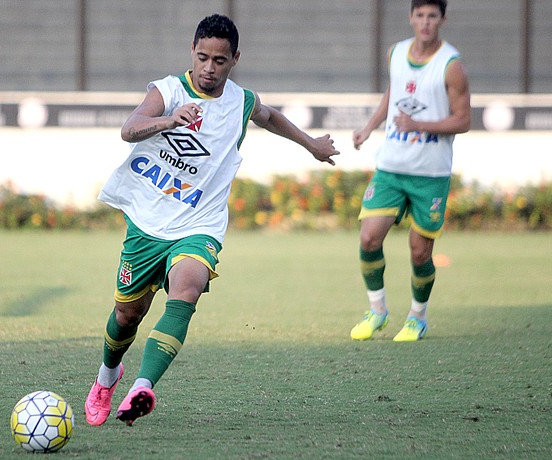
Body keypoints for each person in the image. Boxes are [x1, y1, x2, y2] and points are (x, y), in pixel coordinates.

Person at [85, 13, 339, 427]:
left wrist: (311, 144)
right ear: (192, 50)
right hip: (147, 224)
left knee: (186, 290)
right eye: (202, 57)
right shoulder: (168, 91)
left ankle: (142, 387)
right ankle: (107, 377)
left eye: (219, 61)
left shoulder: (240, 102)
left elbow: (268, 116)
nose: (209, 68)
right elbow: (129, 129)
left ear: (235, 59)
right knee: (127, 315)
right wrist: (168, 120)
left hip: (199, 224)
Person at [350, 0, 470, 342]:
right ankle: (377, 310)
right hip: (391, 167)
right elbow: (394, 93)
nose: (426, 22)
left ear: (443, 19)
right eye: (420, 15)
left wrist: (418, 124)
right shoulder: (396, 53)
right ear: (411, 18)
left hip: (430, 174)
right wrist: (370, 126)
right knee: (368, 237)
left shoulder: (451, 66)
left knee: (420, 252)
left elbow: (463, 120)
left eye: (432, 16)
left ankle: (418, 316)